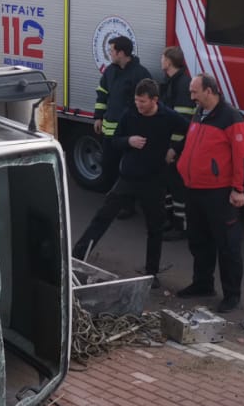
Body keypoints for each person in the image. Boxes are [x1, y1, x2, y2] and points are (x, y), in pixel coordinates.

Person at [71, 79, 186, 282]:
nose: (139, 105)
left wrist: (174, 149)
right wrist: (128, 141)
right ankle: (76, 257)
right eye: (136, 100)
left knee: (155, 228)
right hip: (128, 178)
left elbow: (191, 132)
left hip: (154, 180)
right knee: (103, 217)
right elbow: (115, 140)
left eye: (143, 101)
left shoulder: (168, 117)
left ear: (155, 100)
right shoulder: (130, 113)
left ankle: (152, 273)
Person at [174, 73, 244, 313]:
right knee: (199, 240)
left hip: (219, 193)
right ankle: (202, 283)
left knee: (227, 246)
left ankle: (232, 295)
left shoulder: (231, 117)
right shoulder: (199, 113)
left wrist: (239, 189)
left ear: (210, 91)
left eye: (195, 91)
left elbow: (242, 156)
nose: (191, 96)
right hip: (195, 189)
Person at [94, 36, 151, 216]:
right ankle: (114, 201)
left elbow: (146, 104)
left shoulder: (140, 74)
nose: (109, 53)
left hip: (128, 134)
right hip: (109, 132)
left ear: (121, 53)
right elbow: (102, 93)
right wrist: (98, 117)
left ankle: (127, 206)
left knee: (126, 170)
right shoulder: (110, 71)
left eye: (112, 50)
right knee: (108, 166)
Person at [160, 47, 194, 239]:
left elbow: (183, 123)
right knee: (167, 184)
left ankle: (181, 227)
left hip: (176, 148)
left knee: (177, 187)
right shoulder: (171, 82)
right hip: (168, 146)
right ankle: (170, 220)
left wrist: (173, 149)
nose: (160, 60)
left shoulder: (182, 85)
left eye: (162, 58)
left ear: (169, 62)